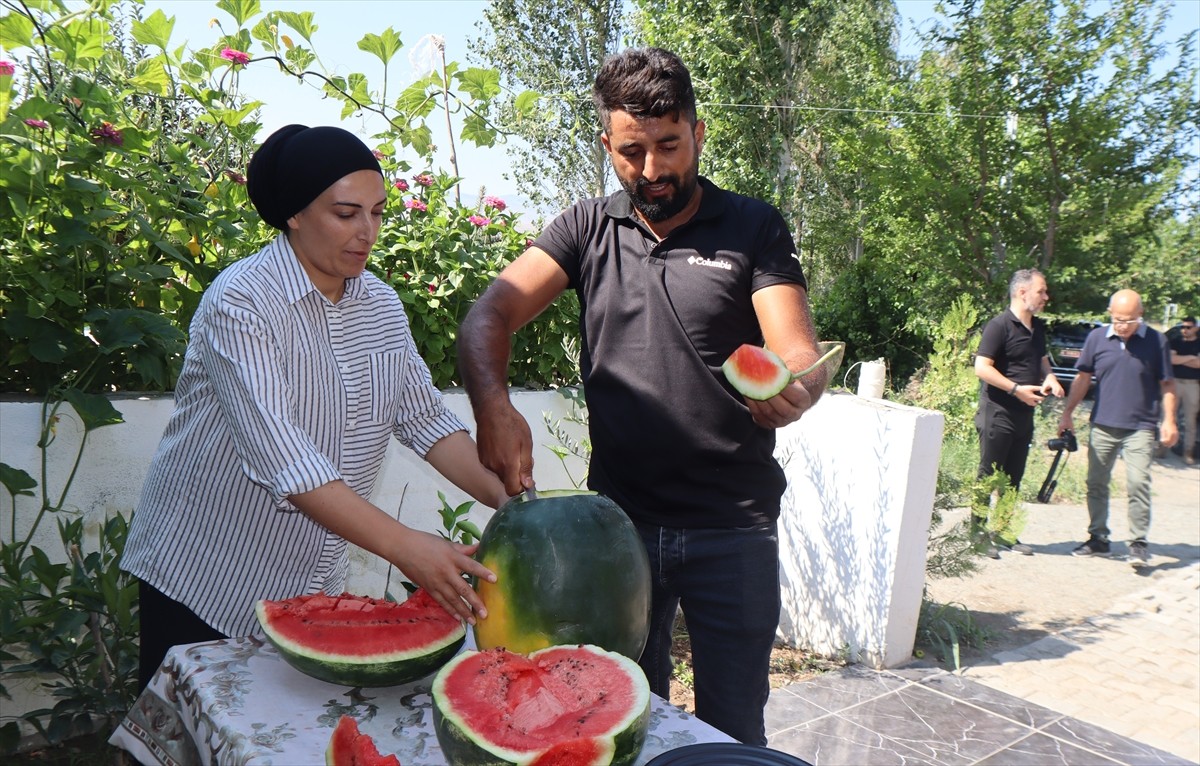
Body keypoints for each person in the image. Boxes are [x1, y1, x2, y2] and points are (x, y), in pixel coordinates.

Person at [457, 47, 827, 746]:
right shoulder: (585, 229)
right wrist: (493, 408)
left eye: (669, 146)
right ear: (607, 145)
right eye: (632, 152)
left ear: (698, 133)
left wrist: (801, 383)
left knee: (734, 727)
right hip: (618, 531)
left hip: (735, 524)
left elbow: (796, 350)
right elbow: (488, 316)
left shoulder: (753, 227)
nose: (653, 170)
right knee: (616, 716)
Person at [121, 125, 507, 691]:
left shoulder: (379, 304)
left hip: (310, 579)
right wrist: (408, 548)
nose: (367, 232)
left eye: (376, 213)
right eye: (346, 213)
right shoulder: (241, 302)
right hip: (203, 573)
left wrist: (522, 507)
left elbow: (425, 421)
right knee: (192, 737)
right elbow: (287, 461)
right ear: (295, 214)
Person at [1058, 289, 1177, 568]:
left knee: (1138, 483)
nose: (1123, 326)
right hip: (1103, 424)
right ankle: (1098, 538)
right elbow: (1083, 377)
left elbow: (1168, 384)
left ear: (1141, 315)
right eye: (1118, 319)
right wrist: (1067, 414)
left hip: (1141, 426)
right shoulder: (1097, 338)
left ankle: (1138, 543)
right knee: (1096, 483)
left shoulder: (1156, 341)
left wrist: (1169, 420)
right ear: (1110, 313)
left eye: (1129, 320)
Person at [973, 269, 1064, 557]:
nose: (1046, 296)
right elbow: (982, 368)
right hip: (997, 412)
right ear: (1022, 292)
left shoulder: (1037, 327)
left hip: (1024, 416)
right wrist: (1016, 390)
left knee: (1013, 476)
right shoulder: (998, 326)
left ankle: (1002, 532)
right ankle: (976, 534)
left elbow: (1040, 359)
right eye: (1041, 291)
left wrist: (1049, 377)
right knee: (989, 476)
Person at [1168, 316, 1199, 465]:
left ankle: (1188, 452)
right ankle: (1162, 447)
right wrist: (1191, 357)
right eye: (1183, 327)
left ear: (1196, 328)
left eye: (1188, 327)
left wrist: (1181, 358)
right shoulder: (1175, 341)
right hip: (1174, 383)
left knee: (1190, 420)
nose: (1184, 330)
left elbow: (1199, 364)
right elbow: (1172, 360)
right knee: (1168, 415)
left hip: (1192, 384)